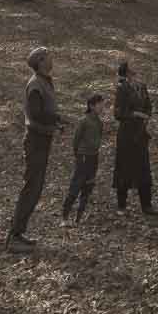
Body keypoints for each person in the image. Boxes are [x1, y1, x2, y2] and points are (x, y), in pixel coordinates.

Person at [7, 45, 62, 251]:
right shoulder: (35, 85)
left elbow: (44, 111)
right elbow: (36, 113)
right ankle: (14, 236)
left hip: (43, 139)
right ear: (40, 61)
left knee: (35, 188)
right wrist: (57, 118)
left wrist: (56, 123)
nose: (52, 59)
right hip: (35, 141)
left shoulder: (45, 82)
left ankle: (19, 232)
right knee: (31, 188)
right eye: (48, 56)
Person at [113, 59, 158, 217]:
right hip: (126, 135)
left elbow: (148, 106)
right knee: (124, 168)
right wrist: (136, 114)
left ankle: (147, 205)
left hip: (141, 134)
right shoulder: (122, 87)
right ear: (127, 70)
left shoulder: (142, 86)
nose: (136, 65)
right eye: (132, 64)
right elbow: (118, 113)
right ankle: (121, 206)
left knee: (144, 168)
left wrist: (146, 115)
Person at [62, 93, 105, 226]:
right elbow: (76, 140)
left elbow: (99, 137)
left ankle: (79, 217)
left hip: (94, 157)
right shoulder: (84, 121)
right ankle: (65, 217)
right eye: (100, 104)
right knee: (76, 185)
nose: (102, 106)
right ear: (91, 106)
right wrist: (79, 155)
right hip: (83, 157)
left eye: (103, 103)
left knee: (88, 186)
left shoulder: (99, 122)